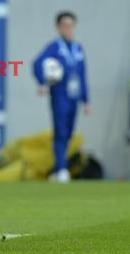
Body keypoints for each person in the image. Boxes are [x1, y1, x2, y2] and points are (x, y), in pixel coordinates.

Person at [32, 11, 90, 183]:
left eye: (71, 25)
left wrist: (86, 100)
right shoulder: (54, 47)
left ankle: (59, 169)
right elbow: (37, 63)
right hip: (60, 95)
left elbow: (83, 75)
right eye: (65, 26)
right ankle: (61, 169)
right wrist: (42, 82)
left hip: (74, 96)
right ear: (58, 27)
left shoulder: (78, 49)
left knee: (69, 133)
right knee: (61, 132)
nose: (69, 29)